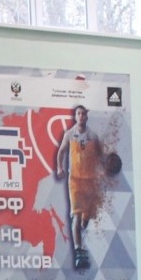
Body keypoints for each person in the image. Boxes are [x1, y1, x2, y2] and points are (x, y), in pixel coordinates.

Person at [52, 105, 102, 271]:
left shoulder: (93, 136)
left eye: (83, 113)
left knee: (85, 220)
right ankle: (78, 251)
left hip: (90, 181)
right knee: (76, 217)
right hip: (75, 181)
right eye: (78, 113)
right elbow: (61, 152)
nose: (80, 116)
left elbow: (100, 155)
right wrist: (59, 168)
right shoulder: (69, 134)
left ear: (87, 116)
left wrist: (106, 167)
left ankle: (83, 227)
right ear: (75, 116)